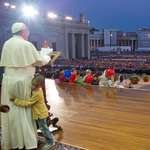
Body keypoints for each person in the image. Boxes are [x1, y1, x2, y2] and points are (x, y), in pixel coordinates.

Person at [0, 22, 53, 149]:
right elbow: (40, 62)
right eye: (27, 32)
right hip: (22, 81)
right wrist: (47, 56)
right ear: (23, 31)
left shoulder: (7, 43)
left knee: (12, 111)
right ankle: (27, 141)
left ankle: (14, 140)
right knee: (23, 110)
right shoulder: (26, 44)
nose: (28, 35)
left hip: (8, 80)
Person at [10, 74, 55, 149]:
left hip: (41, 114)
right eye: (32, 84)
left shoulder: (37, 93)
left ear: (41, 86)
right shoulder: (35, 91)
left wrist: (16, 100)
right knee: (44, 128)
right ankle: (49, 138)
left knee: (43, 128)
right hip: (40, 113)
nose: (33, 87)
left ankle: (50, 141)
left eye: (36, 86)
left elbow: (28, 103)